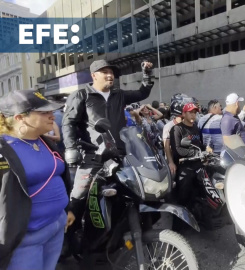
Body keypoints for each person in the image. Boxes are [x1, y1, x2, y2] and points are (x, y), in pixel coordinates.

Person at [63, 59, 154, 218]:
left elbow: (142, 93)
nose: (110, 75)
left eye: (111, 73)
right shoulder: (82, 95)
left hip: (120, 154)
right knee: (79, 196)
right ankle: (71, 233)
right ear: (94, 75)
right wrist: (71, 148)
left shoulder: (119, 94)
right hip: (93, 156)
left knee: (134, 191)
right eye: (105, 72)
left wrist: (147, 74)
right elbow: (68, 123)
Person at [0, 90, 75, 269]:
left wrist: (66, 209)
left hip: (56, 226)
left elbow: (57, 178)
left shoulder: (45, 141)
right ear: (20, 118)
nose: (53, 115)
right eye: (44, 112)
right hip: (25, 238)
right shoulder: (4, 151)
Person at [169, 103, 207, 206]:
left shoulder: (196, 128)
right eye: (190, 113)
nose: (193, 115)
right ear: (183, 114)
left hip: (199, 166)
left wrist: (207, 150)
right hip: (184, 167)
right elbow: (177, 150)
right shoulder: (177, 129)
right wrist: (196, 153)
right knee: (184, 196)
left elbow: (201, 145)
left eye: (195, 113)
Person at [163, 93, 192, 176]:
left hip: (189, 160)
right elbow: (167, 146)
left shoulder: (191, 124)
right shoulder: (169, 126)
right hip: (175, 161)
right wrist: (171, 162)